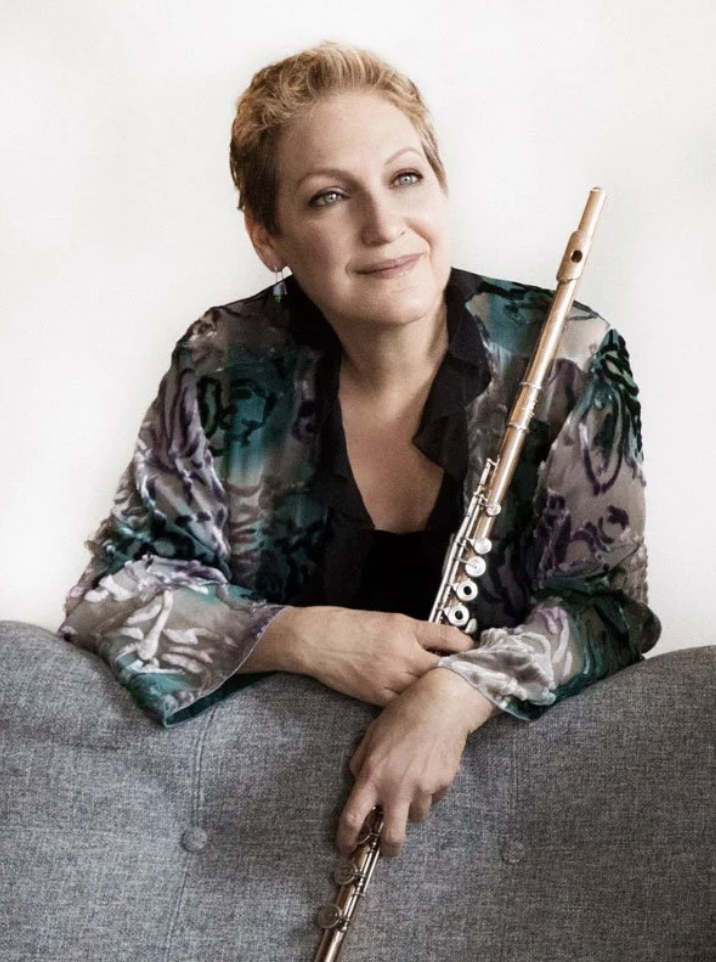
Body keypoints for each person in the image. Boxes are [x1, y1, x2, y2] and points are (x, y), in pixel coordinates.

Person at [60, 42, 660, 859]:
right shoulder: (226, 362)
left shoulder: (571, 356)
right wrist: (303, 636)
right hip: (279, 816)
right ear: (267, 236)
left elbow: (607, 609)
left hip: (500, 811)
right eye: (330, 196)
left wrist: (459, 693)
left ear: (440, 186)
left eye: (406, 177)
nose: (384, 226)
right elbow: (113, 593)